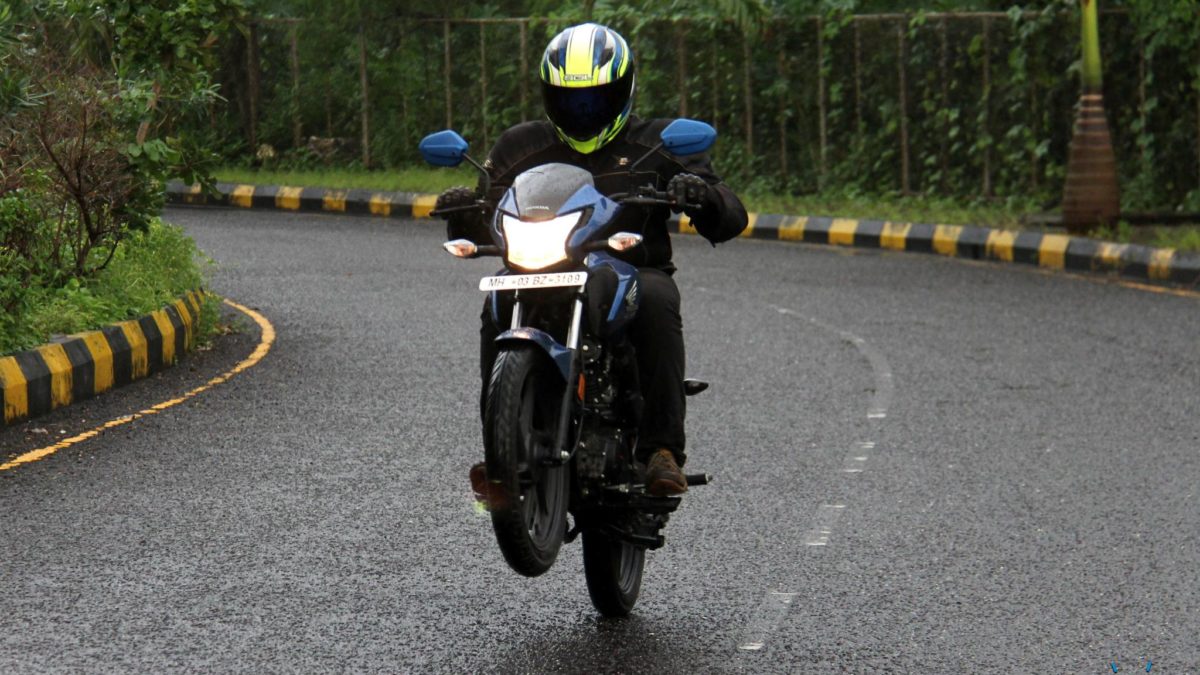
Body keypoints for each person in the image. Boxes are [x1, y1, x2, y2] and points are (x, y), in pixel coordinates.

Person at [437, 22, 747, 497]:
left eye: (596, 98)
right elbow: (492, 216)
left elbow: (729, 218)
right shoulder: (520, 146)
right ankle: (502, 448)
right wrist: (463, 212)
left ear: (623, 90)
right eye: (569, 99)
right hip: (540, 266)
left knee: (659, 298)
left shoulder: (660, 143)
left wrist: (701, 194)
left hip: (631, 270)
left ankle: (661, 450)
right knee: (494, 301)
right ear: (548, 95)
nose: (583, 110)